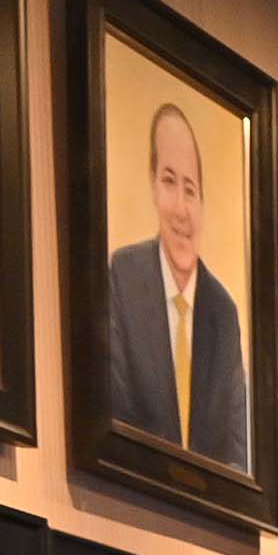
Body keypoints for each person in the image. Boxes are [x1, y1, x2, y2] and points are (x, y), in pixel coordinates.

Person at [106, 100, 244, 466]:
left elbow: (238, 455)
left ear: (203, 203)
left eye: (191, 189)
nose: (181, 209)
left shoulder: (224, 313)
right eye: (169, 182)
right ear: (153, 186)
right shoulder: (124, 277)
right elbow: (115, 417)